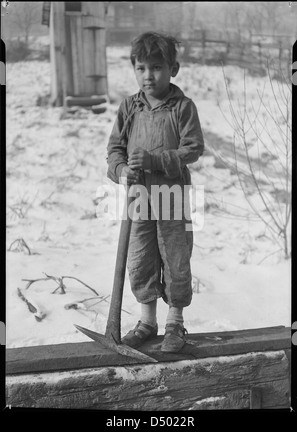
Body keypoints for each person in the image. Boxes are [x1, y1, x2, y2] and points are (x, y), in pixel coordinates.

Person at [107, 32, 204, 353]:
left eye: (157, 67)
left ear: (173, 69)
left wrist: (155, 160)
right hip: (138, 200)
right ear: (134, 69)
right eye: (141, 68)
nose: (148, 75)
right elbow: (114, 151)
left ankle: (175, 323)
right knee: (141, 259)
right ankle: (147, 323)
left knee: (176, 259)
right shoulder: (129, 108)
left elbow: (193, 148)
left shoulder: (182, 107)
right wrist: (122, 171)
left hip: (173, 198)